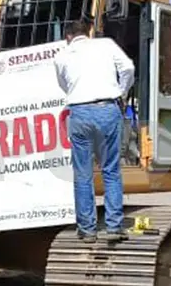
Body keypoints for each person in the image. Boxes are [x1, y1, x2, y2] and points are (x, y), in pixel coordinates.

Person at [52, 18, 135, 243]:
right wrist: (120, 91)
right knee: (110, 169)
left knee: (82, 173)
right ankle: (114, 226)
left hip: (79, 112)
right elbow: (128, 67)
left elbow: (64, 85)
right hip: (107, 108)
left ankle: (87, 230)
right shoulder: (106, 45)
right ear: (89, 32)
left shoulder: (62, 56)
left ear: (68, 36)